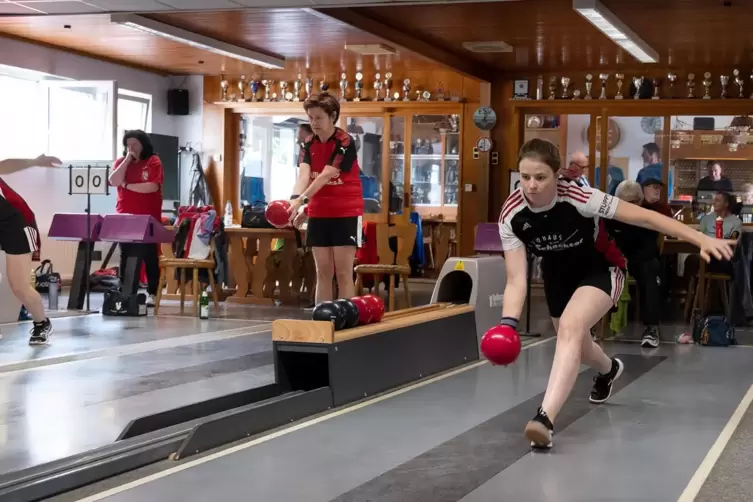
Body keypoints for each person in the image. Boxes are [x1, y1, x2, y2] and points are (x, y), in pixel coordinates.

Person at [498, 138, 733, 449]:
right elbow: (516, 279)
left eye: (540, 177)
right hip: (558, 276)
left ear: (556, 176)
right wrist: (507, 325)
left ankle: (544, 419)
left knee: (570, 328)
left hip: (602, 268)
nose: (531, 185)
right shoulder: (512, 215)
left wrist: (697, 237)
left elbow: (646, 217)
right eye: (525, 177)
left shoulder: (581, 197)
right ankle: (609, 370)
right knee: (576, 343)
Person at [288, 93, 363, 303]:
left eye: (318, 117)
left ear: (332, 116)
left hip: (346, 213)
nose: (313, 122)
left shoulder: (345, 141)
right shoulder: (307, 144)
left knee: (343, 273)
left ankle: (347, 325)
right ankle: (322, 321)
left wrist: (301, 200)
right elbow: (304, 175)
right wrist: (296, 201)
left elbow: (326, 174)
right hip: (319, 213)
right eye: (310, 117)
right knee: (323, 273)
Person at [0, 155, 61, 344]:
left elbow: (5, 165)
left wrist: (34, 162)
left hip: (14, 221)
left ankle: (42, 323)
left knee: (18, 285)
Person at [108, 130, 164, 306]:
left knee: (149, 255)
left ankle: (153, 293)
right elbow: (113, 180)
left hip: (148, 217)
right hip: (125, 215)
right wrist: (126, 161)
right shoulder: (121, 162)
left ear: (143, 144)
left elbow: (152, 187)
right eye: (128, 144)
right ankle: (126, 292)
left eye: (135, 144)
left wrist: (127, 185)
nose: (131, 147)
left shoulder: (153, 161)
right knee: (126, 254)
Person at [608, 180, 667, 347]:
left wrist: (629, 261)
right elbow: (605, 241)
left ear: (640, 201)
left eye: (635, 202)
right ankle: (589, 326)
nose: (631, 206)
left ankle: (651, 328)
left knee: (651, 269)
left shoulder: (648, 215)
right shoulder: (610, 217)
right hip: (615, 259)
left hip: (639, 260)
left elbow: (650, 249)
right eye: (627, 202)